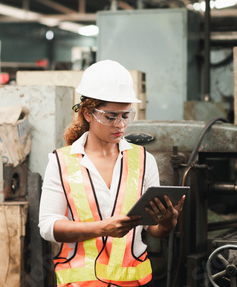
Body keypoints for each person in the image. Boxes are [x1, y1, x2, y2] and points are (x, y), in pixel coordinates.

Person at [38, 60, 185, 286]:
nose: (120, 125)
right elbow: (48, 227)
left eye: (126, 116)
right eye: (110, 116)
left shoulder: (144, 160)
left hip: (132, 282)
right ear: (88, 114)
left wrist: (167, 222)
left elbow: (154, 229)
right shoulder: (61, 161)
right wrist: (101, 228)